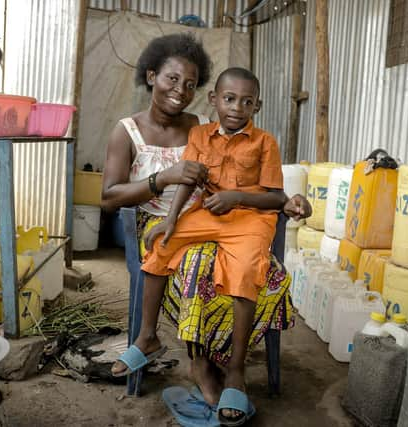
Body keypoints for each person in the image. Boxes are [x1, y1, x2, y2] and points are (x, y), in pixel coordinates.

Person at [101, 33, 311, 424]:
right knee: (192, 262)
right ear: (151, 76)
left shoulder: (205, 126)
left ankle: (228, 365)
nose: (181, 90)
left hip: (219, 218)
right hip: (170, 219)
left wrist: (284, 201)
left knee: (259, 275)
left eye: (190, 83)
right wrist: (164, 191)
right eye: (172, 79)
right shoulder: (127, 131)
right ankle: (192, 359)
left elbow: (258, 190)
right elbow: (110, 197)